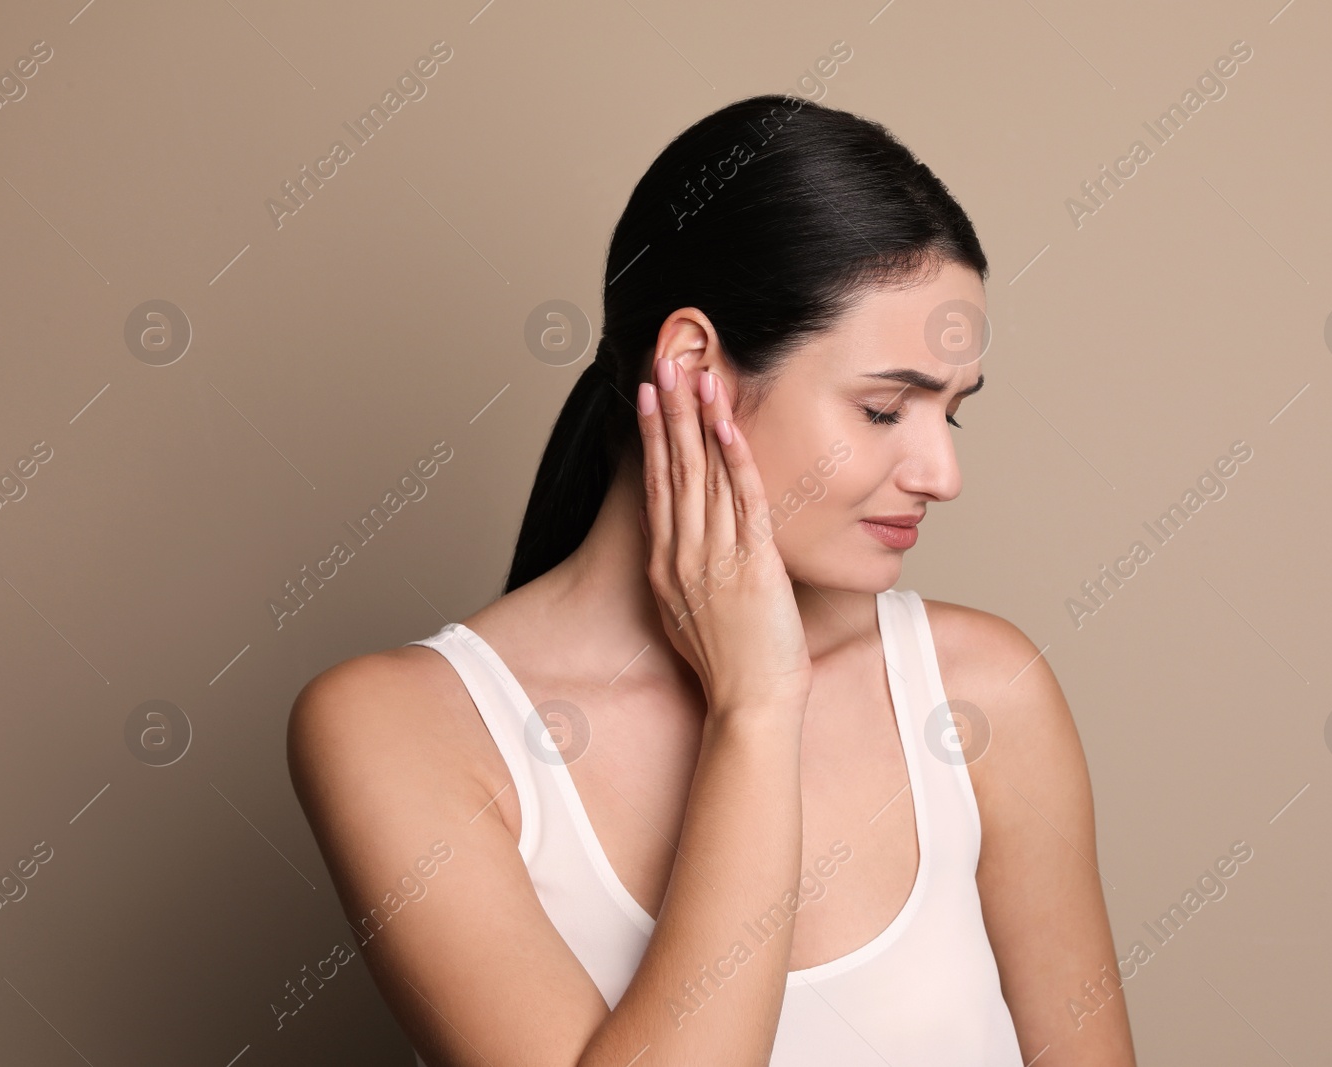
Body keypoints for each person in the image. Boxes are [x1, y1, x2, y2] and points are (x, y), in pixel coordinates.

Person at [287, 93, 1136, 1067]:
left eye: (953, 413)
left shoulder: (986, 694)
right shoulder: (399, 731)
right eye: (883, 408)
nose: (942, 473)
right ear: (694, 364)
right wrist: (757, 705)